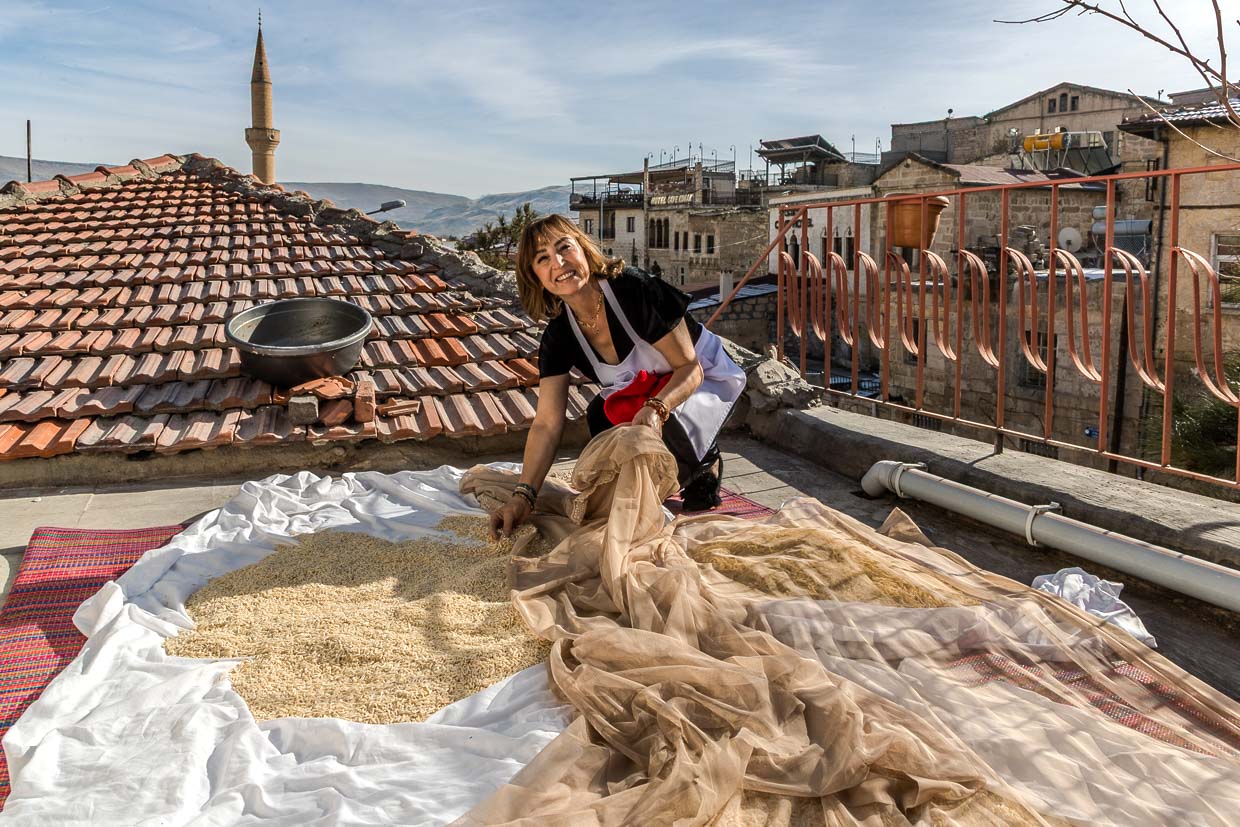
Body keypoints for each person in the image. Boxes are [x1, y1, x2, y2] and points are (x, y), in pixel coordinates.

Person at [489, 214, 746, 539]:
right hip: (645, 386)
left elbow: (689, 369)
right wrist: (523, 497)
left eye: (564, 247)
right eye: (543, 259)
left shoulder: (633, 289)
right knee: (600, 417)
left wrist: (655, 409)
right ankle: (677, 465)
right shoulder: (559, 336)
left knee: (667, 433)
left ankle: (704, 462)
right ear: (536, 277)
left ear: (583, 249)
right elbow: (547, 424)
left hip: (698, 379)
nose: (558, 262)